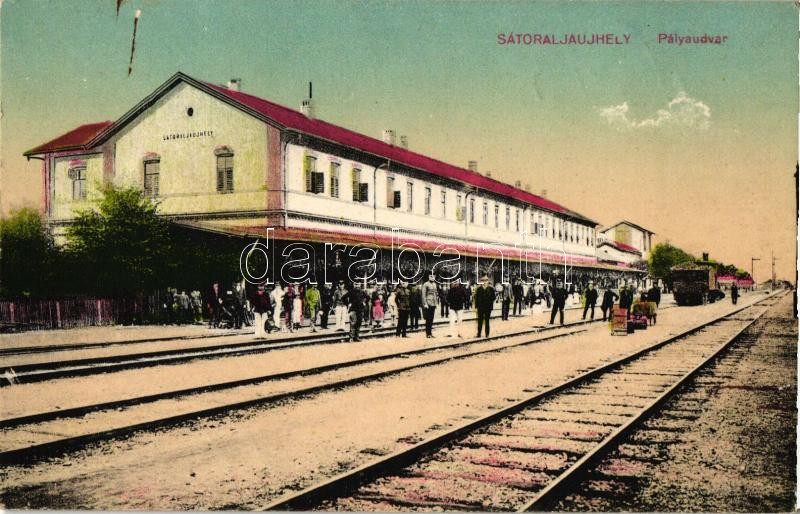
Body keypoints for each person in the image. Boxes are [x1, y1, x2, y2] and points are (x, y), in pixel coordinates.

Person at [421, 273, 438, 338]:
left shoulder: (434, 284)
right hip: (428, 303)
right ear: (428, 277)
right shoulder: (425, 284)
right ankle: (428, 334)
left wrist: (436, 303)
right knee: (428, 319)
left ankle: (430, 333)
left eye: (433, 276)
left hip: (433, 303)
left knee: (431, 319)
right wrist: (425, 304)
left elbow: (435, 294)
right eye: (431, 276)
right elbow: (423, 295)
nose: (432, 277)